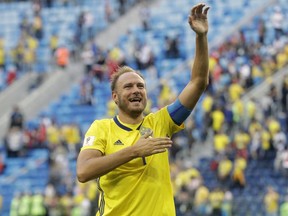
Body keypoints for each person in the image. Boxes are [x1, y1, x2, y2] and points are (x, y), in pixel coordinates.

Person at [76, 3, 210, 216]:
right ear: (115, 97)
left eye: (141, 86)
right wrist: (134, 151)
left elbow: (198, 82)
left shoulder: (161, 122)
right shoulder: (102, 128)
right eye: (128, 87)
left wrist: (201, 38)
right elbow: (83, 172)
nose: (136, 90)